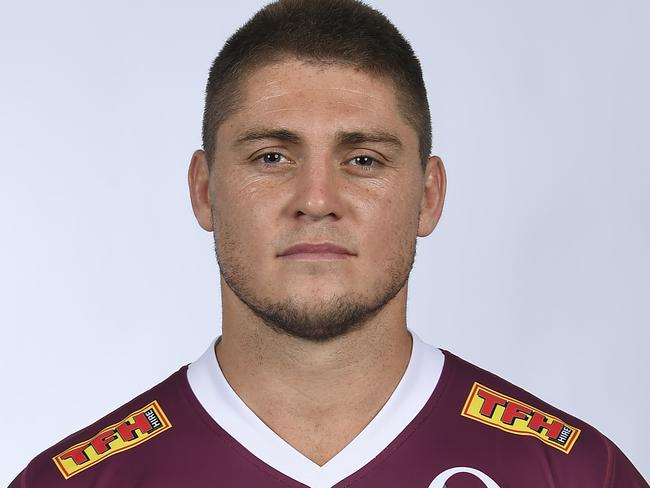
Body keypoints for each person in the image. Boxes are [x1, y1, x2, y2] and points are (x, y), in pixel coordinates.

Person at [9, 0, 648, 487]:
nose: (316, 198)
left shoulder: (574, 473)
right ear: (205, 190)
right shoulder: (75, 480)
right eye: (272, 155)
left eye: (364, 159)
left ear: (429, 196)